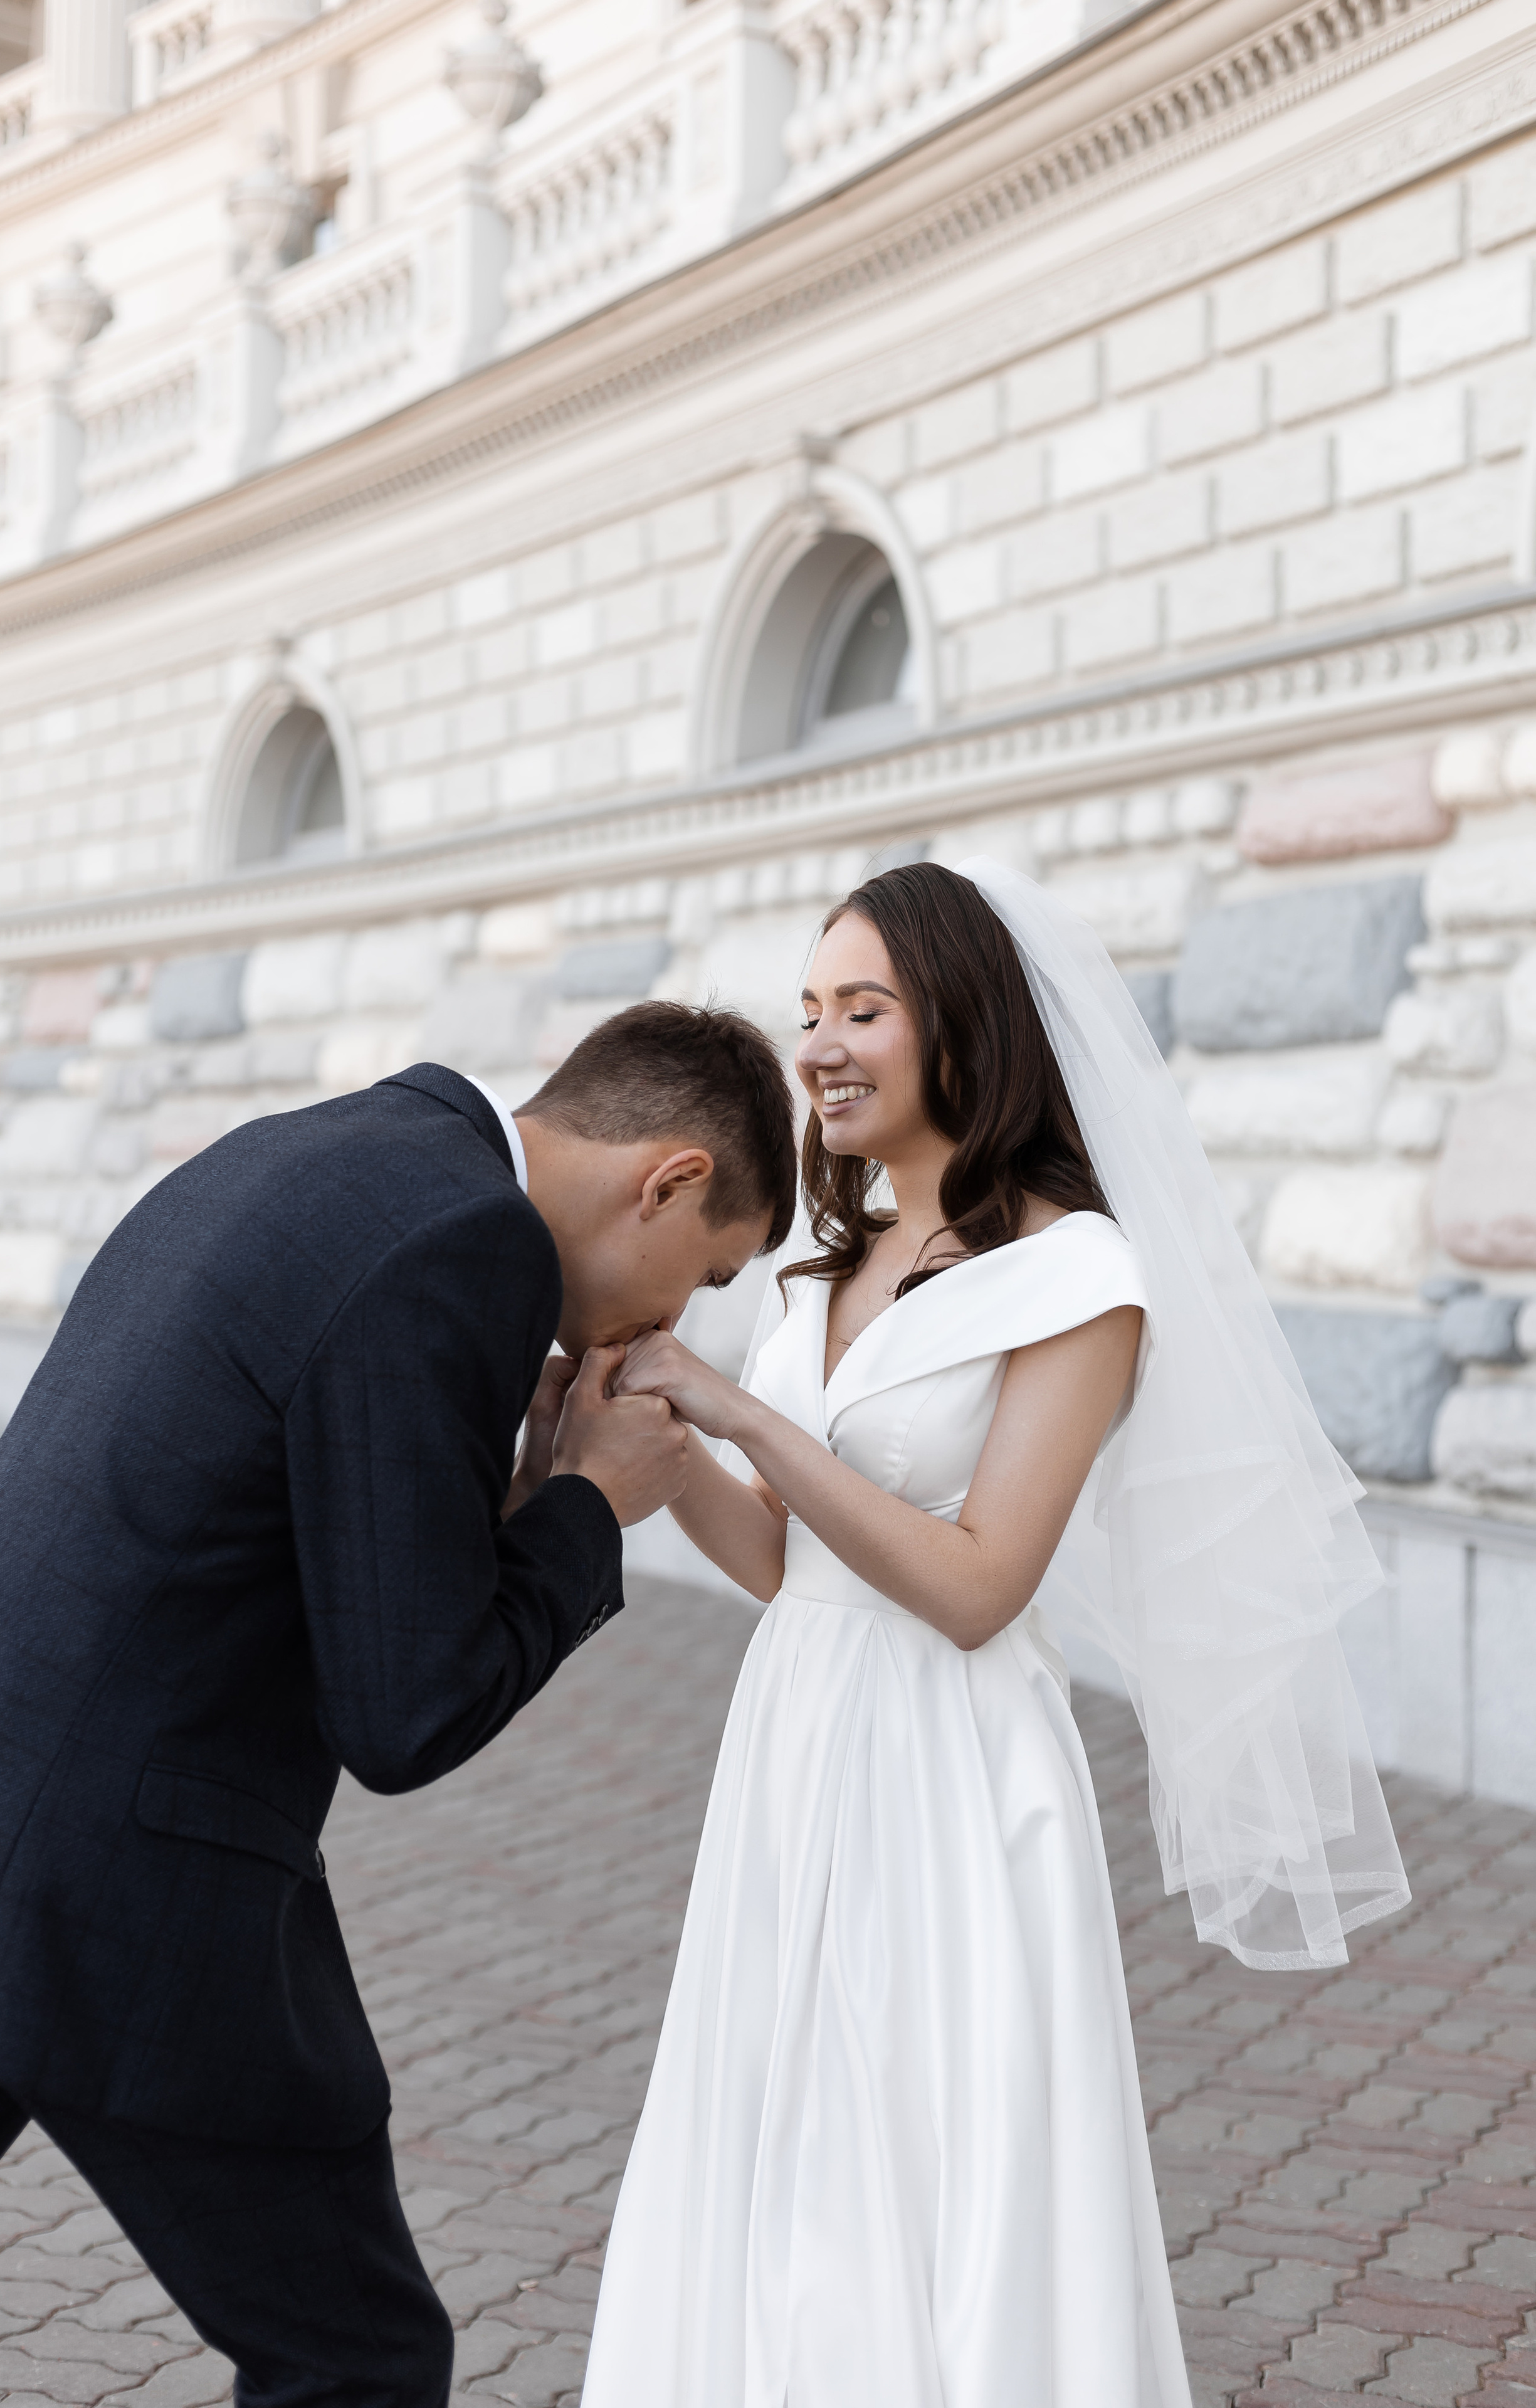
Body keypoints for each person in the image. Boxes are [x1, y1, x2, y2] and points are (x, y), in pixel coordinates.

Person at [582, 862, 1409, 2408]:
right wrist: (661, 1421)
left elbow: (978, 1584)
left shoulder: (1078, 1280)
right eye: (809, 1009)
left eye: (864, 1010)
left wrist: (736, 1405)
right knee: (778, 2127)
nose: (817, 1046)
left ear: (962, 1025)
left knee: (928, 2143)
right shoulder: (817, 1269)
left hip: (946, 1766)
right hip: (794, 1736)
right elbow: (781, 1561)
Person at [0, 1001, 795, 2408]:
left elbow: (301, 1522)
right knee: (359, 2357)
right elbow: (403, 1712)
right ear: (670, 1180)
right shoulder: (471, 1245)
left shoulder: (332, 1146)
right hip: (117, 1877)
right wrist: (589, 1505)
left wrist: (508, 1501)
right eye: (701, 1275)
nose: (672, 1321)